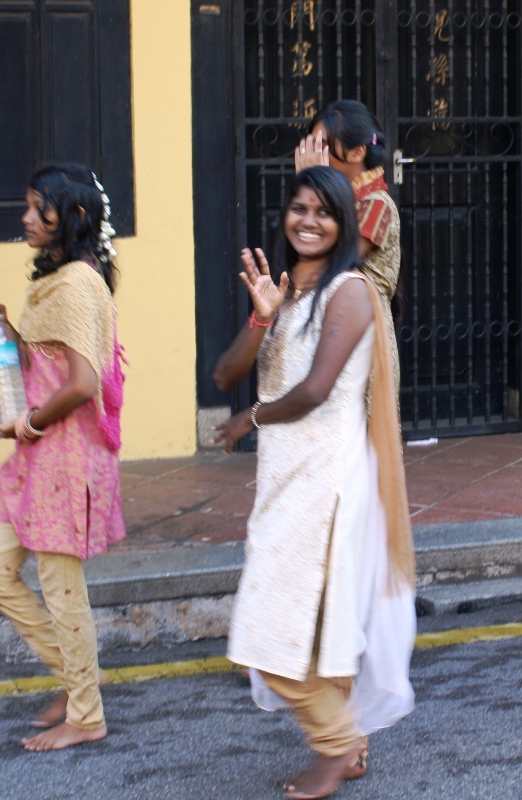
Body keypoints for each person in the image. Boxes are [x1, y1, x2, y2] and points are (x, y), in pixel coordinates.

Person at [214, 167, 415, 799]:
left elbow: (316, 390)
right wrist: (260, 319)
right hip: (284, 478)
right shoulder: (286, 295)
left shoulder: (350, 293)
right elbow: (224, 375)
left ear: (344, 223)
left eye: (323, 211)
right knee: (313, 623)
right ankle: (348, 745)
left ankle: (332, 745)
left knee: (269, 627)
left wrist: (252, 417)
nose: (307, 219)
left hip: (327, 480)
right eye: (298, 207)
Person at [0, 163, 126, 751]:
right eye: (30, 206)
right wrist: (7, 329)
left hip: (64, 456)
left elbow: (83, 383)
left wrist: (28, 422)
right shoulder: (57, 279)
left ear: (77, 218)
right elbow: (49, 360)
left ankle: (86, 714)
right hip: (37, 456)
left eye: (42, 209)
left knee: (63, 591)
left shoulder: (79, 284)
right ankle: (77, 676)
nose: (28, 217)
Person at [295, 99, 402, 393]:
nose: (313, 156)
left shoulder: (376, 204)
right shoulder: (344, 200)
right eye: (310, 145)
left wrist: (315, 185)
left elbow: (339, 260)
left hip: (363, 333)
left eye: (322, 147)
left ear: (357, 152)